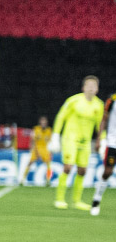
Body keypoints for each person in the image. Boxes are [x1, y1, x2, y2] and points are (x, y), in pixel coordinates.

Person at [49, 76, 104, 210]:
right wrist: (55, 135)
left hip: (85, 142)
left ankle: (77, 200)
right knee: (68, 167)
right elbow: (61, 116)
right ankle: (60, 199)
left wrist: (102, 141)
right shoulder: (73, 101)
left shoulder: (99, 105)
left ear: (97, 89)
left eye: (94, 86)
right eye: (88, 85)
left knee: (82, 170)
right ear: (83, 87)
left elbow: (100, 125)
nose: (91, 88)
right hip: (70, 138)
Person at [90, 91, 116, 216]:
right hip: (112, 142)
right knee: (108, 172)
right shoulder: (112, 99)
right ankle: (97, 198)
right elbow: (104, 119)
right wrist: (99, 139)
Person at [19, 116, 52, 186]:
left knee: (48, 164)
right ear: (40, 123)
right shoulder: (36, 129)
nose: (43, 123)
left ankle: (48, 180)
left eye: (45, 122)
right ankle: (22, 179)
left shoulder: (49, 130)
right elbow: (32, 140)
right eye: (42, 122)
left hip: (45, 149)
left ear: (46, 123)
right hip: (36, 148)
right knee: (30, 163)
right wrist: (33, 149)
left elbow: (50, 142)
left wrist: (50, 151)